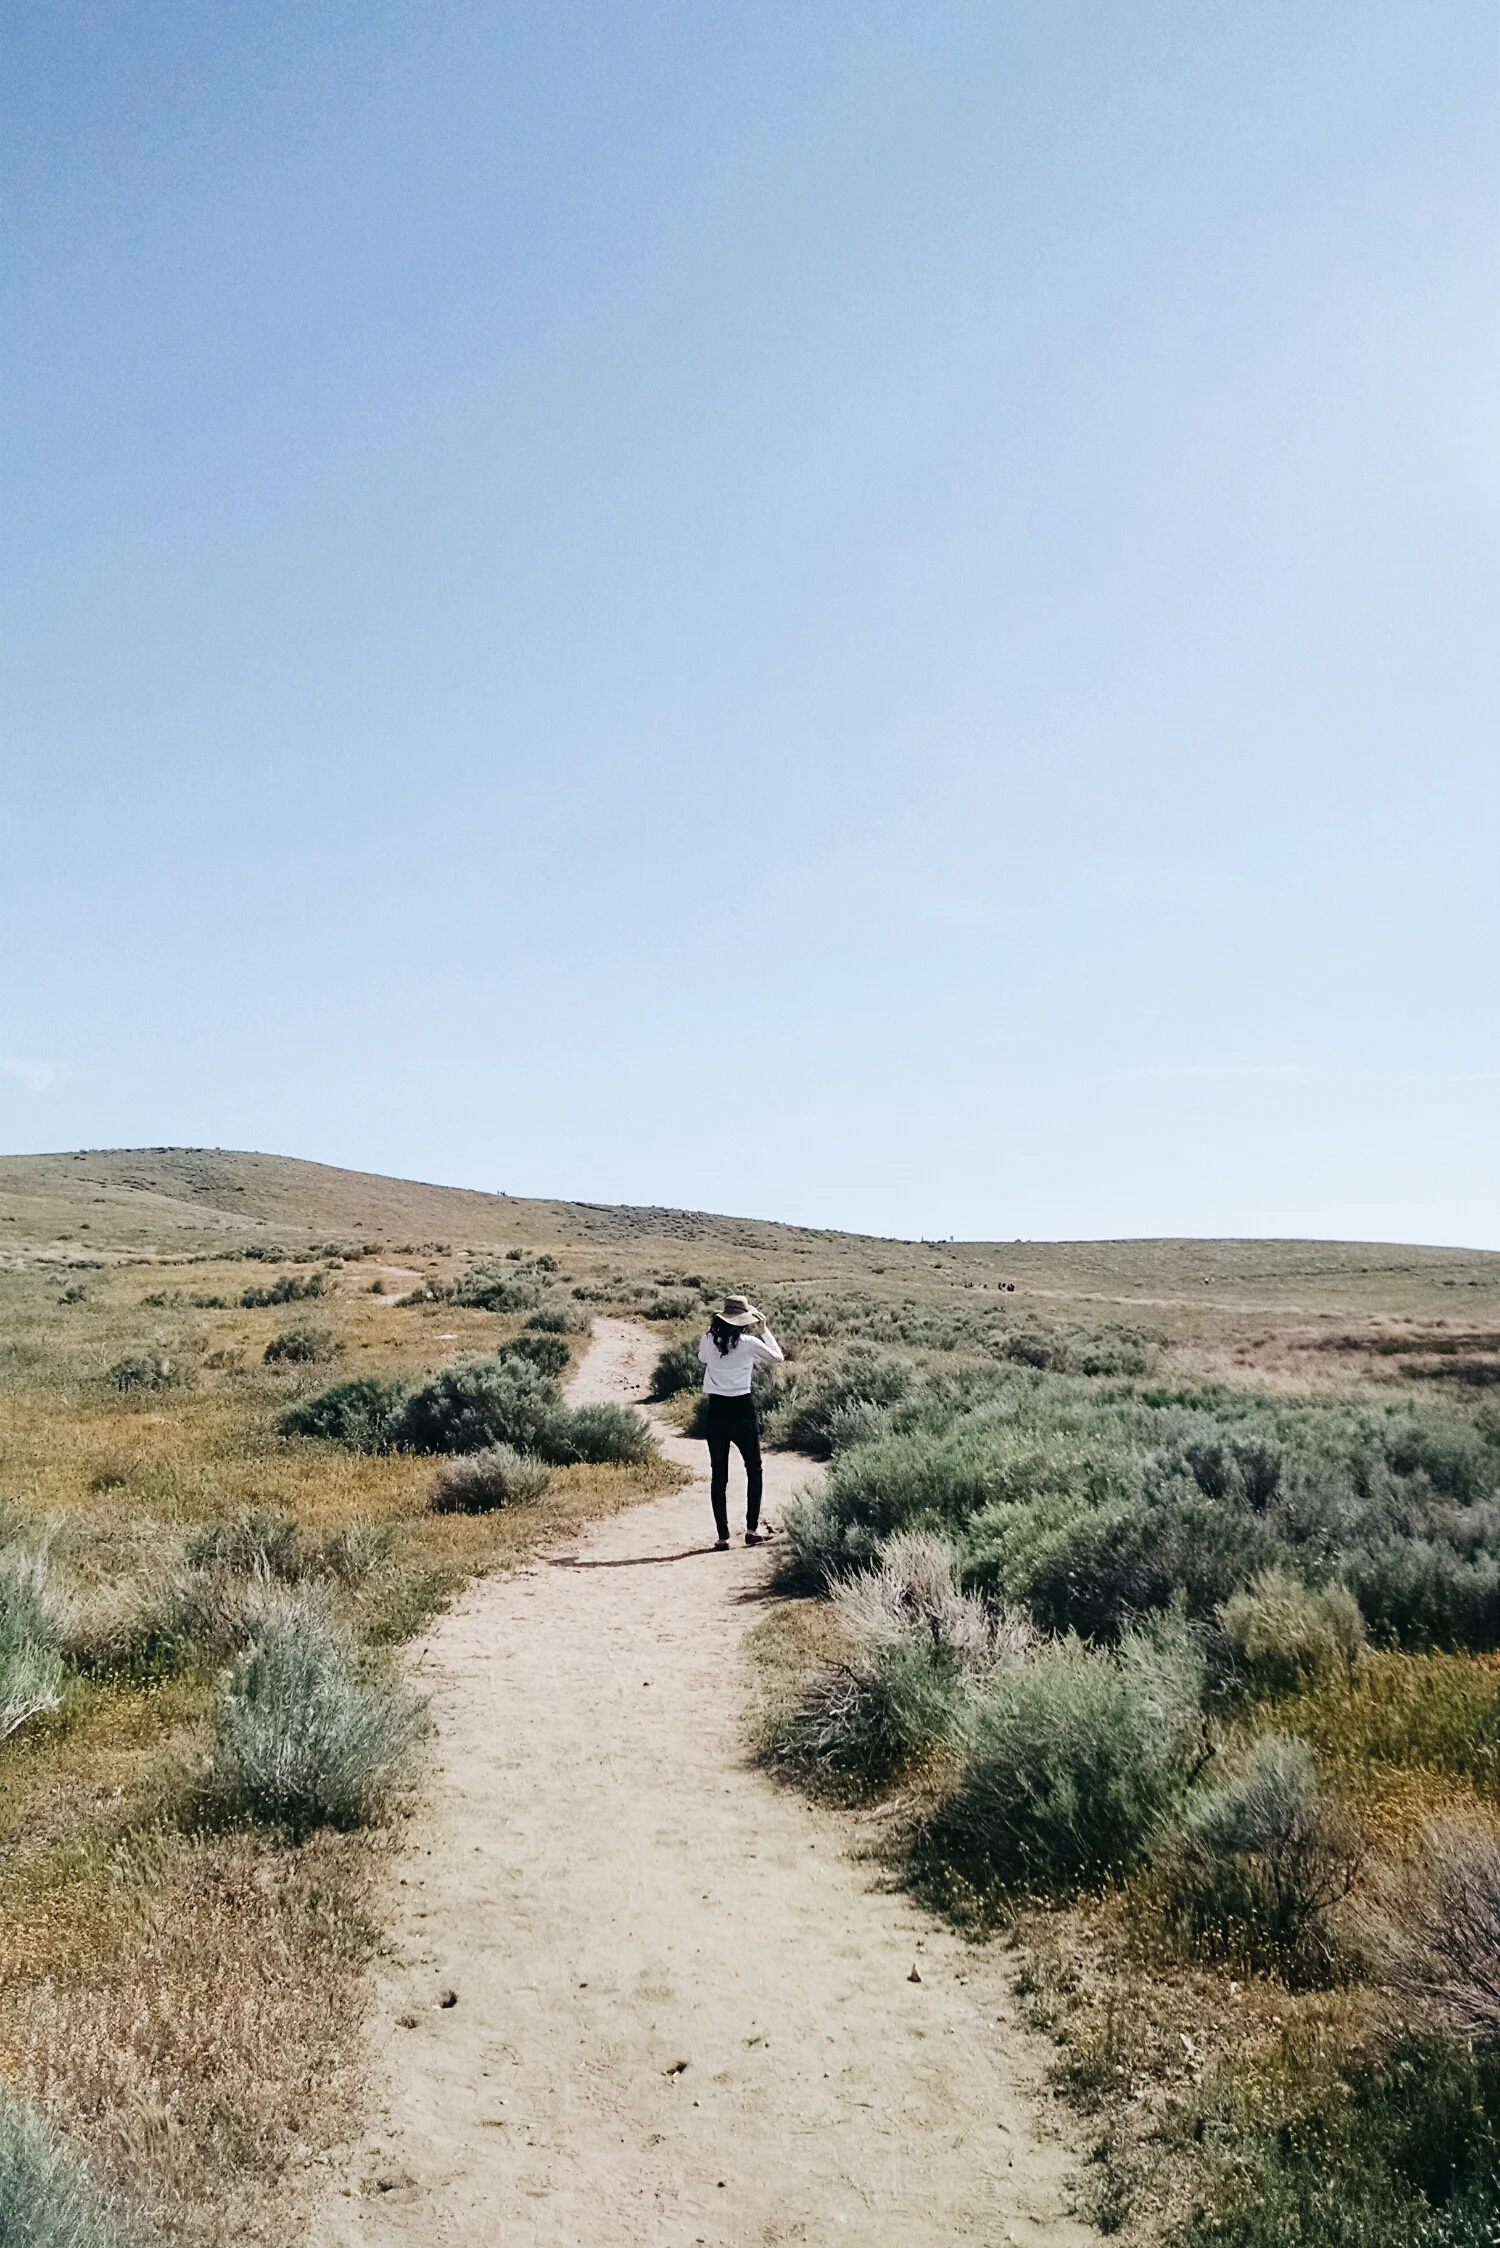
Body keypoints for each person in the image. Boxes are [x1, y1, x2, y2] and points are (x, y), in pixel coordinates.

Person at [697, 1295, 784, 1549]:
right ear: (745, 1320)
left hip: (716, 1410)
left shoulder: (709, 1340)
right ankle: (750, 1529)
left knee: (719, 1475)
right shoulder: (749, 1343)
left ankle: (722, 1536)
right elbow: (777, 1357)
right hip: (742, 1409)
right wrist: (765, 1330)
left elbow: (703, 1358)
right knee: (754, 1469)